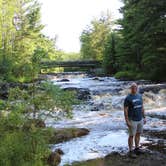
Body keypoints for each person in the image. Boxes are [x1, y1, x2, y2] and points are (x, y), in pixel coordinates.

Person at [124, 83, 146, 157]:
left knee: (138, 133)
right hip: (132, 119)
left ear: (137, 88)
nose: (134, 88)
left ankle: (137, 148)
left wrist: (144, 117)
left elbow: (142, 107)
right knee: (131, 135)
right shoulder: (128, 98)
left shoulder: (139, 96)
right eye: (133, 87)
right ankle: (130, 151)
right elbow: (125, 110)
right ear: (131, 88)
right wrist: (127, 120)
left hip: (140, 119)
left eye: (135, 87)